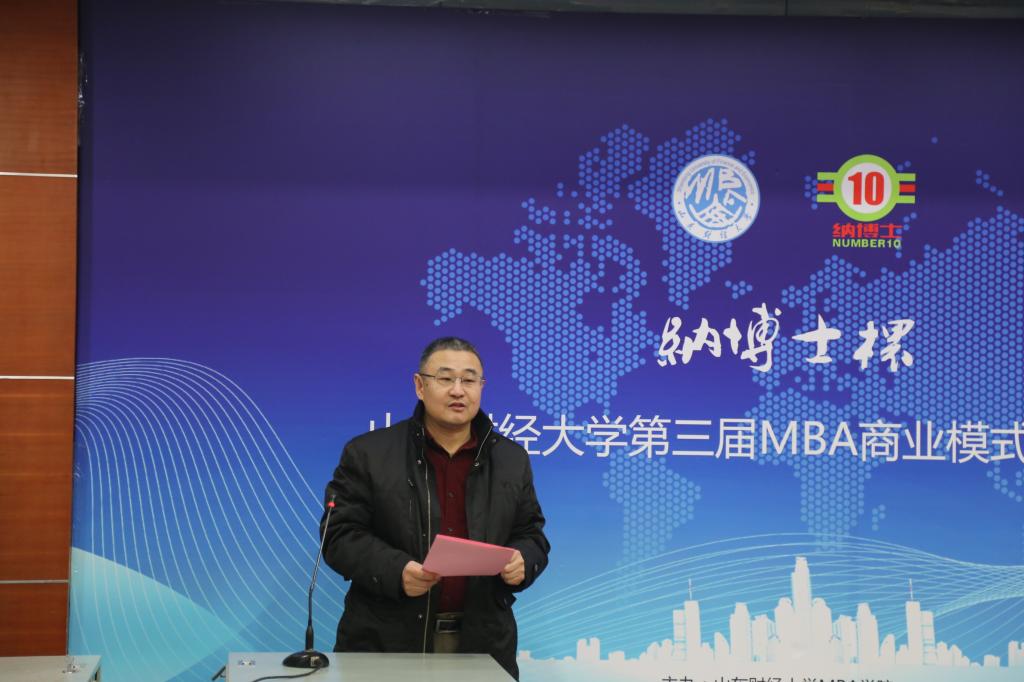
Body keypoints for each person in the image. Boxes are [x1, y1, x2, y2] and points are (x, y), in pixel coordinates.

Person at [321, 337, 550, 679]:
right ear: (420, 386)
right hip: (386, 641)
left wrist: (524, 560)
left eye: (469, 379)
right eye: (445, 378)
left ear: (481, 387)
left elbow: (532, 534)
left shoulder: (511, 459)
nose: (458, 390)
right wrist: (396, 570)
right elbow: (339, 535)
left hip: (483, 643)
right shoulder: (368, 453)